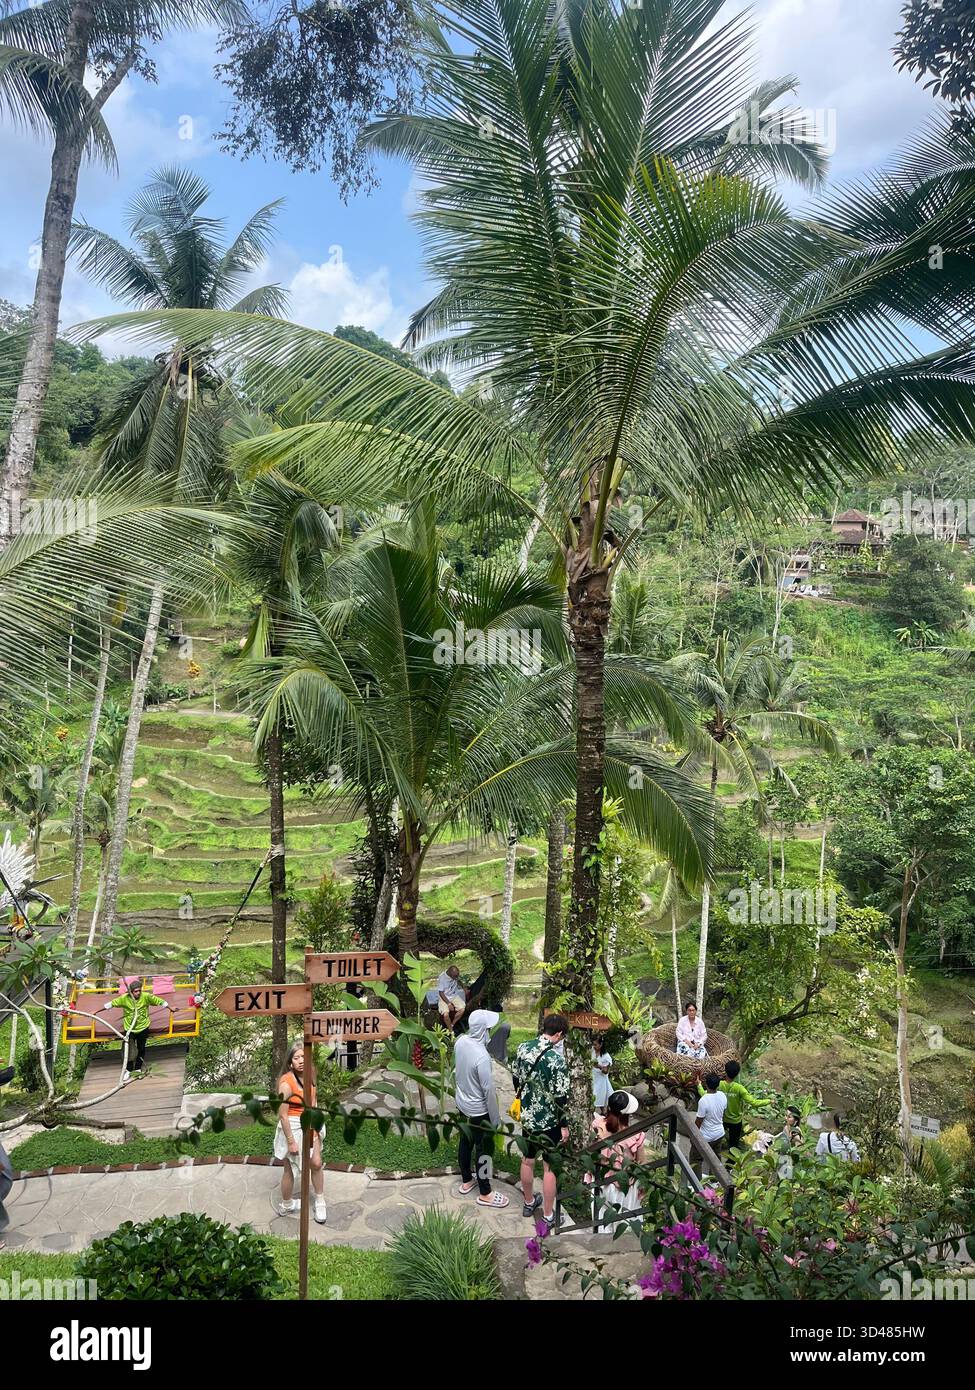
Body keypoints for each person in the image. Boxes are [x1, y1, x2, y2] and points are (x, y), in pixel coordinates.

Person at [512, 1014, 570, 1227]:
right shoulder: (557, 1060)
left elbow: (516, 1077)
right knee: (549, 1168)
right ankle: (548, 1215)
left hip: (528, 1117)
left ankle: (528, 1202)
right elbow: (561, 1096)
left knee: (527, 1160)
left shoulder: (523, 1048)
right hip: (549, 1123)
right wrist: (564, 1126)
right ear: (559, 1034)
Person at [454, 1009, 509, 1209]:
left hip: (462, 1105)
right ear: (482, 1030)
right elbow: (488, 1091)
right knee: (484, 1150)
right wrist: (495, 1118)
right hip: (479, 1111)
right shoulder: (482, 1057)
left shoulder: (460, 1041)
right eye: (487, 1029)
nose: (489, 1032)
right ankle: (485, 1192)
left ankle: (467, 1180)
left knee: (465, 1141)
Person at [275, 1042, 327, 1224]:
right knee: (290, 1169)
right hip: (293, 1126)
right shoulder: (287, 1083)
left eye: (304, 1057)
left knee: (316, 1162)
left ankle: (320, 1200)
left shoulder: (311, 1074)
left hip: (311, 1122)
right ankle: (287, 1204)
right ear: (290, 1063)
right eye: (296, 1058)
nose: (301, 1061)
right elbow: (282, 1115)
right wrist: (291, 1141)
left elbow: (314, 1099)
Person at [99, 977, 174, 1080]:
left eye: (139, 991)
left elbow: (160, 1001)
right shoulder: (124, 998)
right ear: (130, 992)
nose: (138, 993)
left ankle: (138, 1069)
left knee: (141, 1048)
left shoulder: (146, 996)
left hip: (143, 1027)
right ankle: (129, 1070)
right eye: (136, 991)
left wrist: (171, 1008)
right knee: (129, 1049)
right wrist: (95, 1012)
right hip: (129, 1028)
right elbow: (110, 1004)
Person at [592, 1100, 646, 1234]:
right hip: (624, 1184)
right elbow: (642, 1162)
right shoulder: (635, 1134)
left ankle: (600, 1244)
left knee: (602, 1218)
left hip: (602, 1181)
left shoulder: (598, 1126)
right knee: (625, 1219)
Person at [699, 1060, 772, 1154]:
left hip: (722, 1120)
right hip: (735, 1121)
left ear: (725, 1072)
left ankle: (713, 1155)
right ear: (737, 1074)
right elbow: (754, 1102)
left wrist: (698, 1086)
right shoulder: (739, 1088)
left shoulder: (719, 1084)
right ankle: (730, 1166)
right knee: (733, 1145)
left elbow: (704, 1094)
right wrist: (769, 1101)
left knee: (717, 1140)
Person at [694, 1072, 727, 1169]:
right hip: (719, 1134)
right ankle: (715, 1182)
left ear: (706, 1084)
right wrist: (698, 1084)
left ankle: (695, 1182)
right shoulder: (722, 1095)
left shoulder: (704, 1100)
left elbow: (698, 1121)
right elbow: (723, 1112)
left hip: (707, 1136)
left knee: (696, 1159)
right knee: (716, 1159)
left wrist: (694, 1136)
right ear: (718, 1085)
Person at [591, 1036, 612, 1113]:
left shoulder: (606, 1056)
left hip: (601, 1081)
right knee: (594, 1097)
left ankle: (605, 1115)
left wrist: (599, 1066)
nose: (594, 1046)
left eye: (595, 1045)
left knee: (600, 1098)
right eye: (593, 1044)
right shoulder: (592, 1051)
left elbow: (606, 1071)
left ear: (601, 1044)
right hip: (593, 1078)